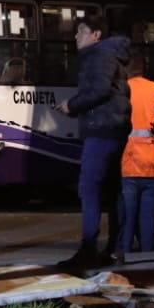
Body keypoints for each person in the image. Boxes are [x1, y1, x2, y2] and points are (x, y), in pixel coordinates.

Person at [59, 16, 130, 271]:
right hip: (114, 128)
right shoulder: (112, 55)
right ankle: (115, 249)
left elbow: (99, 90)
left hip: (101, 130)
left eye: (81, 31)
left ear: (96, 35)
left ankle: (88, 249)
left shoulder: (99, 55)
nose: (76, 37)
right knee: (113, 191)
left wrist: (72, 105)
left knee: (88, 188)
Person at [120, 49, 154, 257]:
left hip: (130, 163)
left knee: (128, 214)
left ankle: (124, 252)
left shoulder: (123, 90)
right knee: (148, 214)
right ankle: (148, 253)